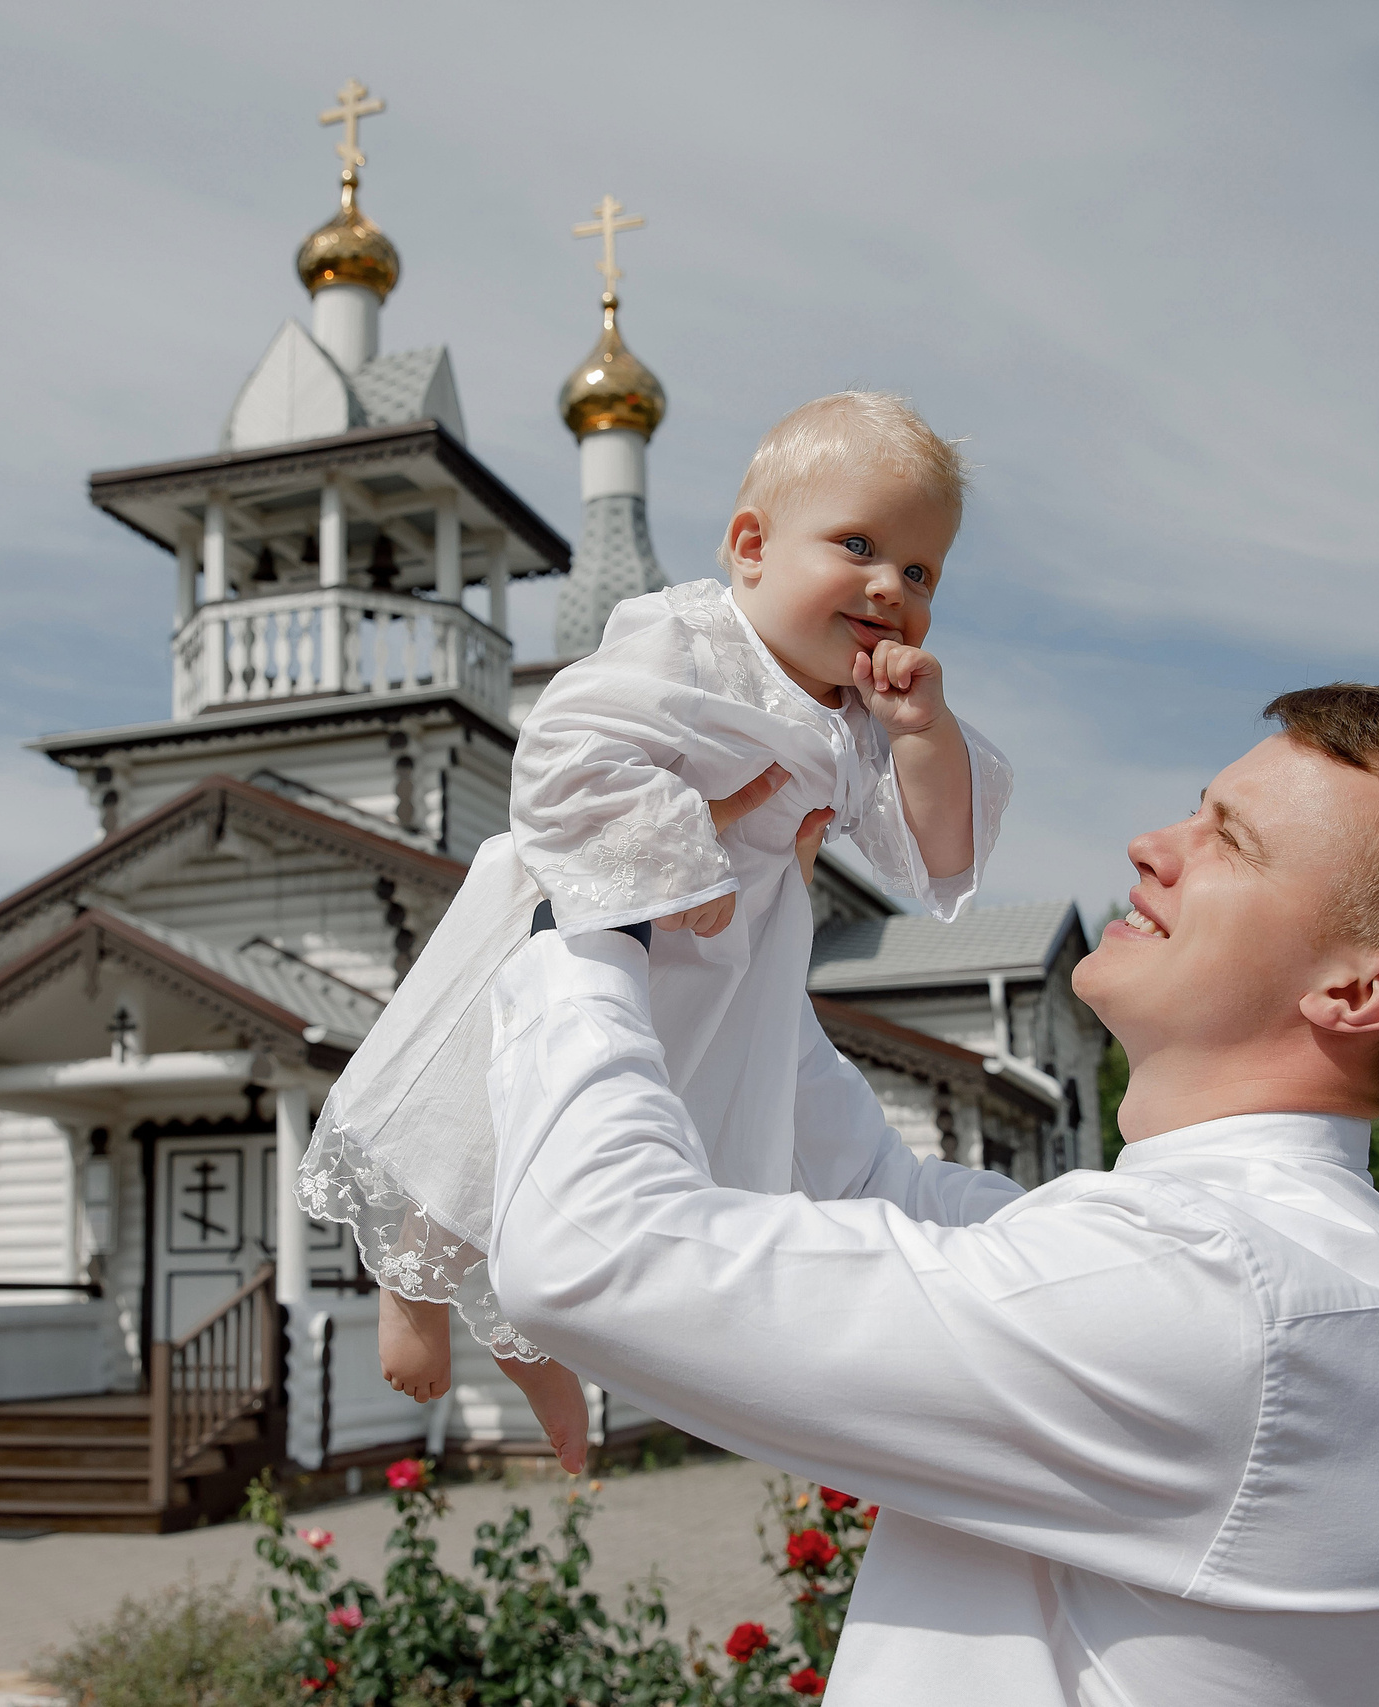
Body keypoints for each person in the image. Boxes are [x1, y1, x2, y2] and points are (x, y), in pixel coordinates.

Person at [484, 684, 1379, 1704]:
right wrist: (738, 912)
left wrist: (587, 918)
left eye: (1232, 842)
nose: (1152, 847)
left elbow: (591, 1253)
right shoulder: (1262, 1256)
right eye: (1195, 810)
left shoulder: (1209, 1289)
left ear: (1354, 991)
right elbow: (865, 1186)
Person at [297, 392, 1013, 1469]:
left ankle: (545, 1339)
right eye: (860, 547)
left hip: (726, 976)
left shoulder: (859, 720)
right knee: (499, 1104)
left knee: (628, 1155)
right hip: (595, 914)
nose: (889, 590)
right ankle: (415, 1274)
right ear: (752, 549)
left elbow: (937, 856)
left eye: (920, 574)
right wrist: (681, 856)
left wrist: (924, 734)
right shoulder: (692, 641)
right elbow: (563, 752)